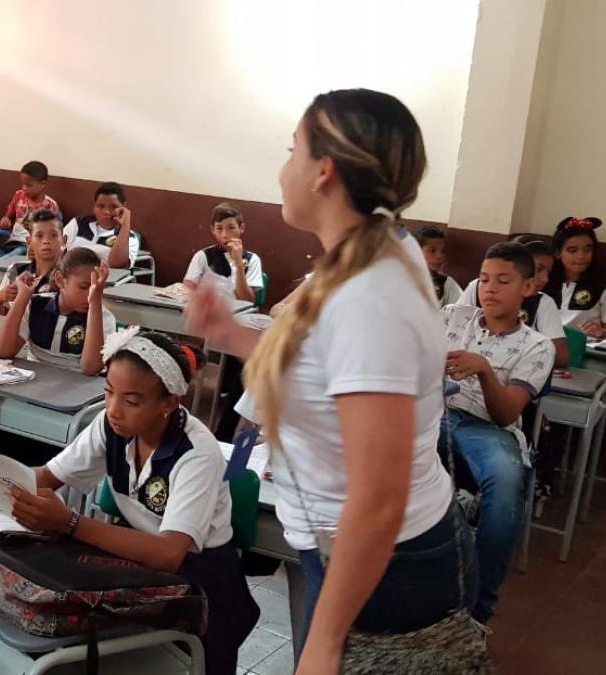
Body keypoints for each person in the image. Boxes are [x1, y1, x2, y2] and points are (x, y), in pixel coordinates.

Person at [186, 89, 474, 673]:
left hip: (383, 562)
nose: (282, 168)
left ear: (323, 171)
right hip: (356, 548)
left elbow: (379, 496)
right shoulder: (368, 250)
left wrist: (323, 641)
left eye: (293, 150)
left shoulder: (371, 294)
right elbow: (326, 368)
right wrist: (236, 336)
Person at [0, 329, 258, 673]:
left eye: (131, 401)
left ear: (169, 403)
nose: (113, 409)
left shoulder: (197, 453)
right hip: (133, 553)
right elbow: (45, 478)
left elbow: (169, 553)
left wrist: (70, 523)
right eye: (109, 392)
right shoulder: (111, 425)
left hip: (199, 578)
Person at [440, 242, 554, 624]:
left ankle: (478, 612)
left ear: (528, 287)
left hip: (486, 428)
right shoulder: (454, 317)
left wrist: (484, 370)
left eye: (503, 280)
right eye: (485, 279)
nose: (489, 288)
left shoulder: (536, 346)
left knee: (507, 485)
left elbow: (506, 415)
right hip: (434, 414)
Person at [0, 247, 115, 375]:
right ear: (61, 280)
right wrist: (22, 298)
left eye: (97, 288)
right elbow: (2, 351)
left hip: (78, 387)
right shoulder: (35, 305)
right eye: (84, 286)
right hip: (34, 381)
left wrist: (95, 304)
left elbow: (90, 368)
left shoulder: (104, 318)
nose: (91, 294)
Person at [456, 238, 568, 367]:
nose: (545, 279)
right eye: (538, 269)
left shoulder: (544, 303)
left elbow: (561, 356)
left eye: (548, 272)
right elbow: (455, 331)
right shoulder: (475, 289)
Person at [0, 161, 61, 305]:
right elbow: (8, 217)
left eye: (29, 185)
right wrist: (5, 220)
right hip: (10, 243)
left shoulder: (50, 205)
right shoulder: (19, 196)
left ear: (42, 184)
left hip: (27, 248)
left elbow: (53, 234)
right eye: (22, 184)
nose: (24, 188)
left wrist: (32, 229)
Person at [545, 216, 606, 338]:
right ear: (557, 253)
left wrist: (603, 333)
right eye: (573, 250)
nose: (581, 256)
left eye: (588, 249)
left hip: (586, 350)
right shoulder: (544, 279)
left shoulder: (605, 282)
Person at [183, 202, 264, 303]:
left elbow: (246, 300)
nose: (225, 235)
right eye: (219, 228)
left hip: (238, 315)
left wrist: (239, 263)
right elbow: (187, 290)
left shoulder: (252, 259)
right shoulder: (203, 256)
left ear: (241, 228)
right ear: (213, 230)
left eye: (231, 228)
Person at [0, 209, 65, 316]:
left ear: (63, 240)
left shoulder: (67, 277)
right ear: (29, 241)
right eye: (39, 236)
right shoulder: (15, 270)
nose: (46, 241)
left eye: (53, 235)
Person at [64, 182, 138, 269]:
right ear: (94, 207)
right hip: (69, 275)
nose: (106, 212)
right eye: (101, 206)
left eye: (113, 207)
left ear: (124, 207)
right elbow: (59, 251)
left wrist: (125, 225)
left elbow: (116, 265)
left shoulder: (130, 238)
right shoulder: (78, 224)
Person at [416, 226, 463, 307]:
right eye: (432, 251)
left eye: (442, 251)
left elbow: (462, 309)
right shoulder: (402, 279)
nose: (439, 256)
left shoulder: (446, 283)